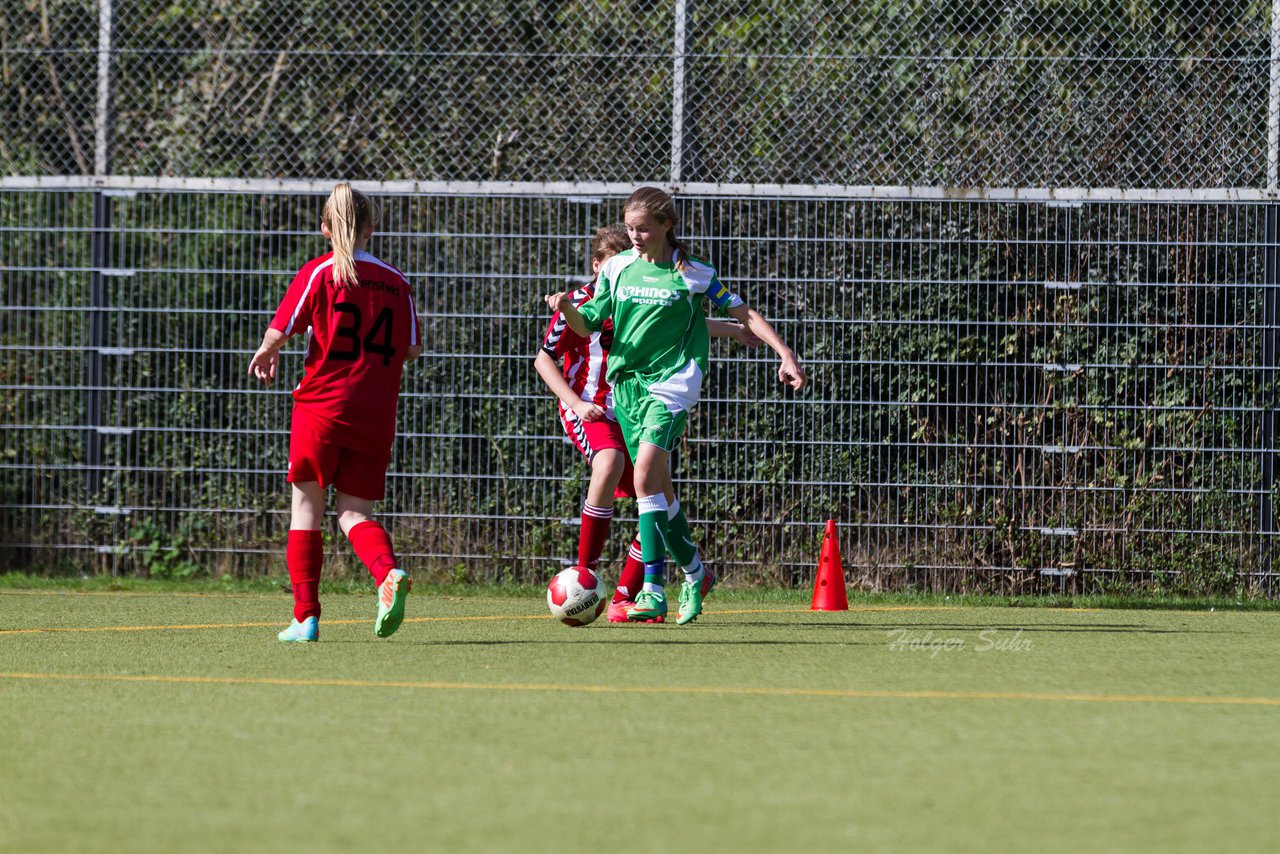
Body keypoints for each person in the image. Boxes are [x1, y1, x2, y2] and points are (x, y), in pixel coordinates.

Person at [544, 187, 806, 625]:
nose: (634, 235)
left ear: (667, 225)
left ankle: (651, 590)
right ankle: (695, 572)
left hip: (672, 385)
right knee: (659, 494)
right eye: (629, 228)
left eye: (642, 228)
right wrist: (569, 306)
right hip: (626, 387)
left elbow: (746, 316)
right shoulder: (617, 268)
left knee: (643, 474)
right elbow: (588, 323)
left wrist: (785, 354)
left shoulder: (695, 274)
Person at [248, 182, 422, 642]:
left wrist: (267, 351)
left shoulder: (320, 272)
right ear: (371, 228)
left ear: (325, 228)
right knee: (354, 514)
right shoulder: (397, 281)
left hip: (322, 406)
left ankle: (305, 617)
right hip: (375, 412)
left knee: (305, 508)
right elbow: (411, 349)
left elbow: (282, 326)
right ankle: (386, 572)